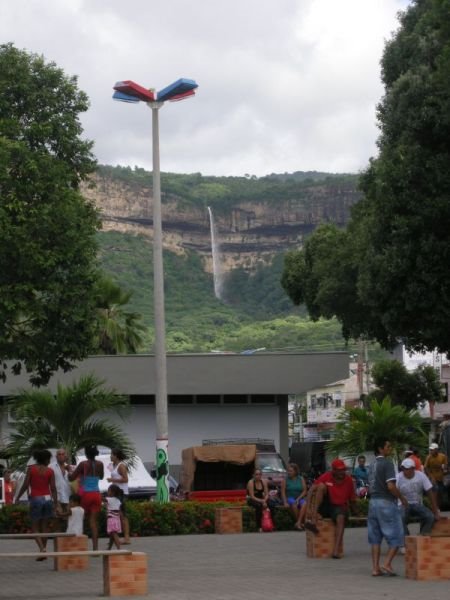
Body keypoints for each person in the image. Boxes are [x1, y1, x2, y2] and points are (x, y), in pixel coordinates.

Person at [367, 438, 406, 577]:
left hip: (373, 503)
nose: (390, 448)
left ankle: (375, 568)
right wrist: (401, 498)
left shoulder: (371, 465)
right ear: (380, 448)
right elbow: (390, 486)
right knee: (397, 534)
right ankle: (387, 563)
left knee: (375, 537)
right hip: (386, 502)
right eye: (388, 446)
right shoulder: (387, 464)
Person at [304, 459, 357, 558]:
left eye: (343, 470)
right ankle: (314, 518)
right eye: (339, 470)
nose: (341, 472)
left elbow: (352, 499)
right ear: (334, 470)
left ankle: (336, 551)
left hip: (340, 507)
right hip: (327, 504)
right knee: (320, 486)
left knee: (341, 517)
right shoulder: (327, 476)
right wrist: (308, 508)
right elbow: (312, 488)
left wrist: (356, 512)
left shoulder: (349, 480)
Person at [15, 449, 58, 559]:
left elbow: (25, 485)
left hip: (36, 498)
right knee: (44, 527)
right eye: (48, 459)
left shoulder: (31, 469)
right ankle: (43, 550)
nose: (49, 461)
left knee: (34, 527)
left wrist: (18, 497)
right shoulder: (50, 471)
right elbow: (53, 488)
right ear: (44, 459)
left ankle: (42, 549)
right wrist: (55, 503)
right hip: (48, 499)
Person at [69, 445, 104, 550]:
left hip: (85, 495)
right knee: (93, 522)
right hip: (96, 494)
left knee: (81, 519)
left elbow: (72, 478)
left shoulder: (83, 464)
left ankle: (79, 547)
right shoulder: (100, 464)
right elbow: (101, 477)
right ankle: (95, 548)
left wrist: (68, 472)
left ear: (86, 453)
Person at [397, 458, 439, 541]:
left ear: (413, 469)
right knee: (400, 518)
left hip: (417, 504)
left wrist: (435, 511)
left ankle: (423, 536)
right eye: (404, 469)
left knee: (430, 516)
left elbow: (430, 492)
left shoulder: (421, 475)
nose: (406, 471)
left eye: (408, 469)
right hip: (402, 504)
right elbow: (392, 491)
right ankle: (406, 540)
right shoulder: (398, 477)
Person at [107, 448, 130, 544]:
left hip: (121, 493)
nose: (110, 456)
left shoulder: (121, 466)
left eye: (112, 454)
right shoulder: (114, 466)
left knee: (122, 515)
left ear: (116, 456)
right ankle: (114, 538)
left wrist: (113, 480)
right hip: (116, 494)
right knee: (115, 516)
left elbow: (125, 479)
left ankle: (126, 538)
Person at [280, 463, 307, 530]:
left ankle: (298, 523)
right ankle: (300, 523)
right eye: (288, 471)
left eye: (291, 471)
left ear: (295, 471)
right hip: (290, 497)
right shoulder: (285, 480)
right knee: (294, 504)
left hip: (299, 497)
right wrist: (285, 502)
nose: (289, 472)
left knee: (304, 503)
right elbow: (283, 492)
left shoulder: (301, 479)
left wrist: (298, 499)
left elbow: (304, 491)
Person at [51, 448, 72, 527]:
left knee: (68, 520)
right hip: (57, 497)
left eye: (63, 454)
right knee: (56, 519)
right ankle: (57, 538)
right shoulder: (51, 467)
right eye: (59, 454)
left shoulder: (69, 467)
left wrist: (69, 470)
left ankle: (67, 537)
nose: (61, 456)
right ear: (56, 456)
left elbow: (73, 481)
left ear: (66, 456)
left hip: (67, 497)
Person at [424, 443, 448, 508]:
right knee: (435, 492)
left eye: (432, 450)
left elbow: (445, 466)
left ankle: (438, 507)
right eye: (430, 450)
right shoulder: (429, 457)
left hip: (441, 478)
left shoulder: (442, 456)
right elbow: (426, 467)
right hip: (433, 478)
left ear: (436, 450)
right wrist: (430, 477)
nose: (431, 451)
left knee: (440, 493)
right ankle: (434, 507)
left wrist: (444, 468)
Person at [105, 484, 122, 550]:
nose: (107, 492)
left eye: (108, 491)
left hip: (111, 519)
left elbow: (102, 499)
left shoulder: (109, 499)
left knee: (114, 534)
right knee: (112, 535)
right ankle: (109, 548)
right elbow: (119, 511)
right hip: (117, 519)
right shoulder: (118, 500)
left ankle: (119, 548)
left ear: (112, 492)